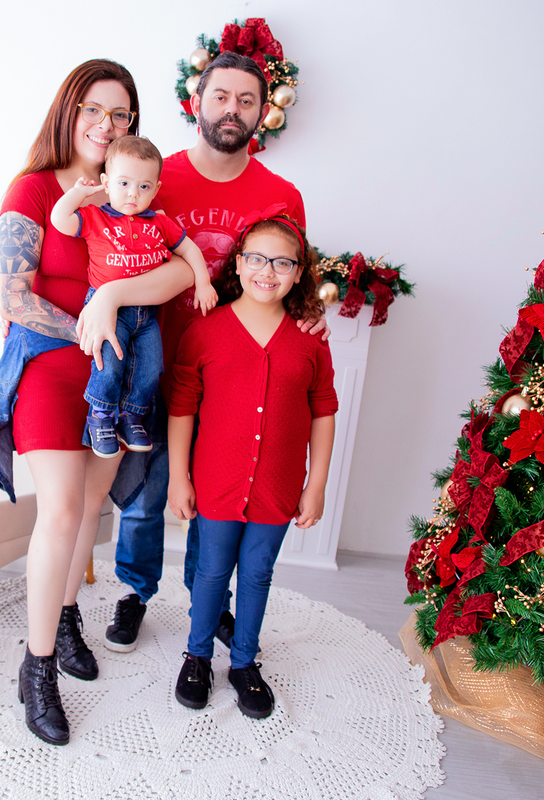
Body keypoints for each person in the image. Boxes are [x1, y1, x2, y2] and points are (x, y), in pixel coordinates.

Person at [0, 59, 195, 747]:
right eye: (93, 108)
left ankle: (65, 616)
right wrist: (88, 324)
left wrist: (115, 298)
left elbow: (178, 271)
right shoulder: (35, 189)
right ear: (68, 111)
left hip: (114, 373)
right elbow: (13, 298)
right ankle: (37, 668)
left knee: (93, 506)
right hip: (47, 363)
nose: (106, 123)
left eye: (120, 113)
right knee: (64, 508)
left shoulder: (131, 191)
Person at [87, 51, 313, 654]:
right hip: (151, 366)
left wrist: (306, 322)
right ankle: (134, 592)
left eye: (246, 100)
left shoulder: (281, 194)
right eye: (221, 96)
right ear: (197, 102)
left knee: (211, 506)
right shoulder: (152, 174)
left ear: (263, 113)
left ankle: (205, 602)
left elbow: (288, 278)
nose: (232, 109)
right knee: (143, 497)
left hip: (232, 383)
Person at [167, 213, 337, 718]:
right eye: (257, 259)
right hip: (216, 482)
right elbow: (182, 409)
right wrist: (178, 477)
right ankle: (197, 657)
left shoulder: (310, 341)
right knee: (211, 572)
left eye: (282, 263)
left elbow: (324, 413)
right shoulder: (205, 332)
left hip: (277, 487)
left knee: (258, 574)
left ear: (299, 273)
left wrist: (316, 485)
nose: (268, 271)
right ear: (239, 264)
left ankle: (244, 663)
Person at [50, 135, 214, 458]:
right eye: (123, 183)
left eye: (143, 186)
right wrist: (78, 194)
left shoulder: (159, 223)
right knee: (109, 364)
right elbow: (60, 220)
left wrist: (204, 283)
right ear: (106, 183)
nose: (133, 193)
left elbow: (190, 250)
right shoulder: (96, 218)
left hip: (147, 312)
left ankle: (131, 416)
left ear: (155, 189)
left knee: (150, 367)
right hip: (108, 311)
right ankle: (100, 416)